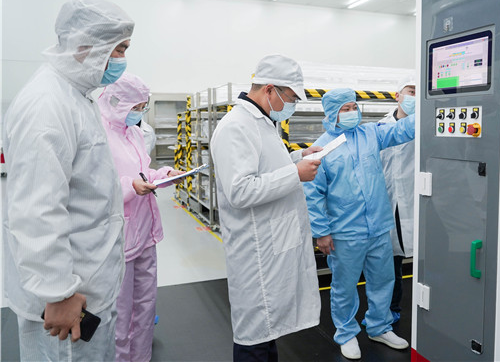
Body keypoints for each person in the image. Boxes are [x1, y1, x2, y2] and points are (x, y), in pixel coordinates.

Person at [2, 0, 134, 361]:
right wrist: (57, 292)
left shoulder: (76, 97)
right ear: (85, 46)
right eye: (119, 49)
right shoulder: (47, 103)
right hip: (66, 307)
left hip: (86, 290)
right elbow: (36, 209)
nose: (122, 59)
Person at [210, 54, 322, 362]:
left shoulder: (263, 122)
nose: (292, 105)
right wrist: (296, 174)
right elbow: (240, 190)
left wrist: (298, 157)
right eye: (291, 98)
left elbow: (266, 167)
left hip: (272, 242)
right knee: (255, 335)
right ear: (270, 89)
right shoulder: (236, 126)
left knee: (267, 330)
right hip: (255, 249)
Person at [303, 88, 415, 360]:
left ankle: (379, 326)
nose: (353, 112)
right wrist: (321, 232)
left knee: (383, 280)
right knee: (344, 286)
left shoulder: (370, 134)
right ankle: (346, 333)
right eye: (346, 109)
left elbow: (402, 130)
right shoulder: (322, 148)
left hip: (379, 226)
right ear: (332, 113)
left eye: (354, 107)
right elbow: (313, 194)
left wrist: (429, 105)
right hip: (345, 231)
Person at [97, 73, 185, 362]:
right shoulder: (98, 134)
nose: (139, 113)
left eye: (142, 107)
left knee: (145, 306)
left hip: (146, 232)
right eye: (135, 107)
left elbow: (143, 173)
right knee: (121, 314)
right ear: (117, 102)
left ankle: (141, 357)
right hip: (119, 238)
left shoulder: (133, 133)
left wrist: (165, 174)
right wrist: (130, 186)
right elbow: (94, 187)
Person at [378, 79, 416, 324]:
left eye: (418, 92)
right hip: (388, 204)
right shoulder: (379, 127)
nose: (414, 96)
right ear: (397, 95)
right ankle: (390, 310)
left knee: (427, 259)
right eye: (410, 91)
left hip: (416, 201)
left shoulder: (426, 124)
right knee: (391, 263)